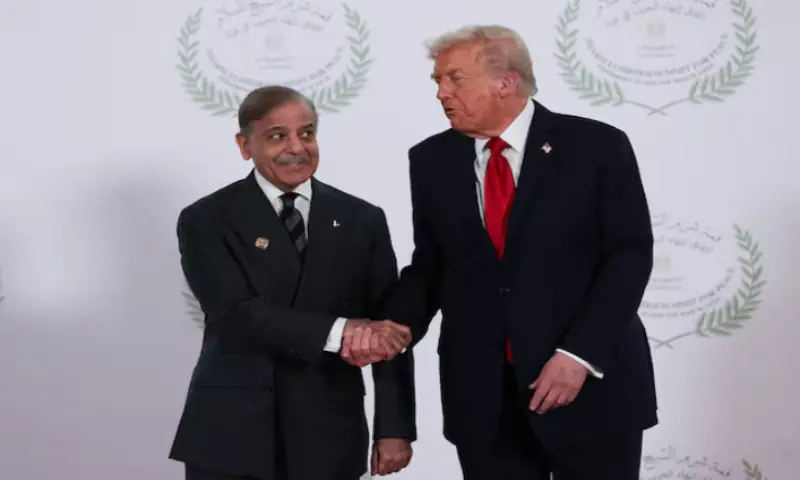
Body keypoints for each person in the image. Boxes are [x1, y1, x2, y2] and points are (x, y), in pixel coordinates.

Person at [344, 25, 658, 479]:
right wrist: (396, 324)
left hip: (588, 389)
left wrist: (579, 356)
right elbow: (432, 265)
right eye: (437, 81)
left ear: (505, 82)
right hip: (484, 399)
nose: (441, 93)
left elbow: (629, 256)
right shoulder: (431, 159)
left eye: (454, 79)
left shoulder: (597, 146)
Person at [168, 85, 416, 480]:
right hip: (234, 433)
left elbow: (388, 327)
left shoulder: (361, 218)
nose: (296, 147)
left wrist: (394, 428)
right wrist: (342, 330)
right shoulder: (206, 218)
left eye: (307, 132)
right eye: (277, 136)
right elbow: (233, 312)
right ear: (244, 144)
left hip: (330, 428)